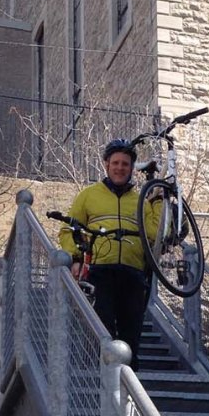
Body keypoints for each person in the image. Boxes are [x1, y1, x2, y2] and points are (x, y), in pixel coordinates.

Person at [58, 139, 159, 370]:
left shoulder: (142, 199)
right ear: (106, 165)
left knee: (131, 336)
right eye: (115, 163)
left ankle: (128, 395)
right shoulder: (89, 195)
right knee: (103, 330)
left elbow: (154, 233)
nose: (120, 167)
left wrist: (158, 200)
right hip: (100, 271)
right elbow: (68, 229)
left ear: (132, 168)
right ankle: (100, 387)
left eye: (125, 164)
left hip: (134, 273)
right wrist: (74, 257)